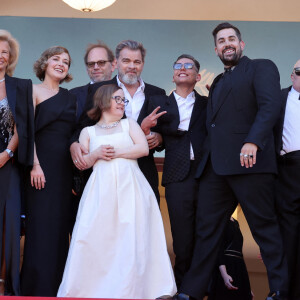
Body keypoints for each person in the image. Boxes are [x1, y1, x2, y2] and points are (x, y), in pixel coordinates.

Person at [175, 22, 289, 300]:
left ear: (241, 44)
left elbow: (270, 106)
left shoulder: (261, 67)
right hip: (215, 168)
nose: (227, 43)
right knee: (207, 231)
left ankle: (280, 290)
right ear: (216, 49)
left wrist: (253, 141)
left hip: (250, 162)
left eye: (231, 39)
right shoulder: (218, 83)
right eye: (221, 41)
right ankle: (190, 291)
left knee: (264, 228)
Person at [57, 84, 177, 299]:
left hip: (130, 186)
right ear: (103, 102)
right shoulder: (88, 131)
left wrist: (114, 152)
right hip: (100, 190)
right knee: (98, 237)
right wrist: (95, 155)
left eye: (124, 100)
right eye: (118, 99)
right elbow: (81, 164)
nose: (122, 103)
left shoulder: (129, 124)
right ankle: (93, 289)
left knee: (131, 238)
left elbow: (142, 148)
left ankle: (132, 291)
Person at [70, 40, 165, 203]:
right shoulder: (100, 89)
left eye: (137, 62)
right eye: (126, 61)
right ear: (116, 63)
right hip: (104, 169)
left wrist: (160, 138)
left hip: (143, 170)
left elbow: (165, 129)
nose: (131, 66)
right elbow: (82, 125)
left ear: (143, 64)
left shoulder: (157, 93)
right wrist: (73, 143)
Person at [145, 54, 207, 289]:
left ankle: (202, 288)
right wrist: (157, 137)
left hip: (205, 174)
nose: (182, 68)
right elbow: (151, 134)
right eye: (177, 66)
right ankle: (182, 288)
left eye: (188, 65)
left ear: (197, 76)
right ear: (173, 75)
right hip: (175, 175)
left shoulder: (207, 103)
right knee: (181, 239)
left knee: (206, 234)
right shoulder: (159, 103)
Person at [20, 46, 76, 296]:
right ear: (44, 63)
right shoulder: (31, 90)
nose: (61, 64)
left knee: (59, 229)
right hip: (39, 170)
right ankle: (35, 289)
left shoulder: (71, 96)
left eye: (66, 61)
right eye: (56, 59)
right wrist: (35, 165)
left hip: (65, 172)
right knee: (41, 229)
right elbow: (26, 132)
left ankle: (57, 288)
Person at [0, 29, 34, 296]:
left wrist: (7, 154)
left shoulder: (21, 85)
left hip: (9, 164)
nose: (1, 56)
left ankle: (8, 287)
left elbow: (22, 126)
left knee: (9, 227)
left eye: (5, 52)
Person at [274, 59, 300, 300]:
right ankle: (284, 293)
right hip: (288, 169)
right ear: (292, 76)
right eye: (299, 71)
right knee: (288, 234)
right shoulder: (278, 98)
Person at [208, 217, 252, 300]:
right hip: (226, 266)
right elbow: (218, 249)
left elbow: (239, 251)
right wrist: (224, 274)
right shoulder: (219, 219)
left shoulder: (235, 222)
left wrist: (248, 287)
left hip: (239, 268)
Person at [70, 40, 116, 120]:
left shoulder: (124, 92)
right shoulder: (73, 96)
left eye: (101, 62)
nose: (96, 67)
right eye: (91, 64)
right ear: (87, 69)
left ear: (113, 65)